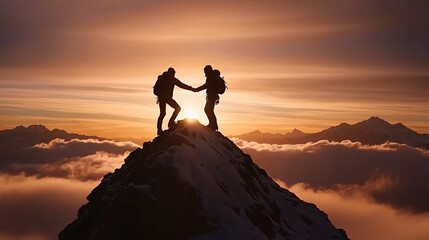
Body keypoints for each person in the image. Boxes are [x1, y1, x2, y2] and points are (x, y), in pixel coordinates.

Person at [154, 67, 194, 135]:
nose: (173, 75)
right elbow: (181, 85)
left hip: (166, 98)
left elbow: (181, 85)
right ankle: (163, 127)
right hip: (163, 98)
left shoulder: (171, 79)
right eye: (173, 74)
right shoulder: (163, 78)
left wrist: (190, 88)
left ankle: (168, 124)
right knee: (166, 112)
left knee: (168, 111)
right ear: (170, 73)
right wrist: (191, 89)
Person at [194, 65, 221, 131]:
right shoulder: (211, 77)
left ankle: (213, 125)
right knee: (209, 110)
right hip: (212, 96)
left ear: (208, 71)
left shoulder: (211, 77)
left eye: (205, 71)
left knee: (208, 110)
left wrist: (197, 89)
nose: (204, 73)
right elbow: (207, 85)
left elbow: (206, 85)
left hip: (212, 96)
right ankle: (213, 125)